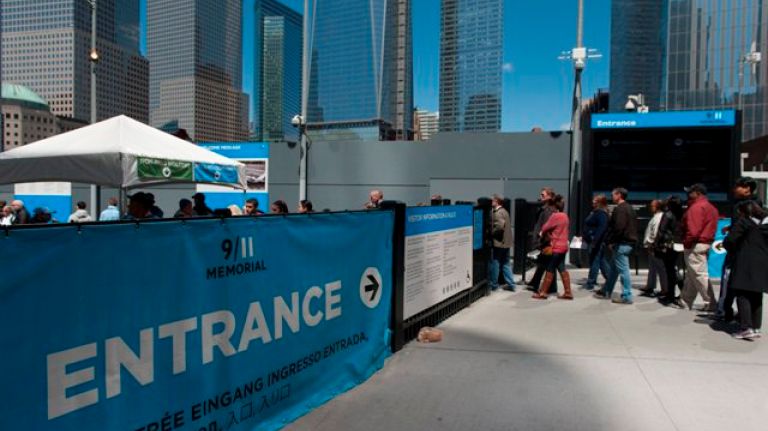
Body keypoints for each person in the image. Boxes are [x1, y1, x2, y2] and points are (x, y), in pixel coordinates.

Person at [723, 201, 768, 340]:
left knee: (742, 293)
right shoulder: (765, 224)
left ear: (745, 212)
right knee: (756, 294)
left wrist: (734, 250)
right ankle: (755, 327)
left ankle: (746, 327)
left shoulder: (744, 222)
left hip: (745, 260)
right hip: (763, 261)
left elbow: (730, 241)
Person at [679, 183, 719, 311]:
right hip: (704, 243)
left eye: (690, 192)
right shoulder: (710, 207)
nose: (688, 194)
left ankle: (711, 303)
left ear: (697, 193)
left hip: (696, 244)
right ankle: (685, 301)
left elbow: (693, 231)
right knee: (693, 274)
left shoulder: (696, 207)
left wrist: (687, 242)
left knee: (698, 274)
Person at [595, 187, 638, 304]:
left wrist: (611, 241)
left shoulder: (620, 209)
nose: (611, 197)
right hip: (626, 243)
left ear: (619, 195)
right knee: (614, 269)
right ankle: (606, 290)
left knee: (624, 270)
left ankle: (627, 296)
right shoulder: (629, 208)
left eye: (613, 195)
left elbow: (619, 227)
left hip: (622, 243)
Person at [532, 194, 572, 300]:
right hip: (563, 247)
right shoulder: (565, 216)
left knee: (549, 269)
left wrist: (542, 234)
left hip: (555, 247)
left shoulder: (555, 216)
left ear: (555, 206)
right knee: (562, 268)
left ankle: (543, 292)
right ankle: (568, 292)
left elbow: (545, 227)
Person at [655, 196, 685, 307]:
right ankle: (679, 292)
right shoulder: (682, 214)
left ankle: (670, 295)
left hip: (669, 245)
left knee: (670, 270)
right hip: (680, 244)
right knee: (675, 269)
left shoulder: (668, 214)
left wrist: (657, 244)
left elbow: (662, 230)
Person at [527, 187, 557, 291]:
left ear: (549, 197)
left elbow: (547, 227)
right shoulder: (544, 209)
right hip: (544, 241)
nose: (540, 197)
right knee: (545, 264)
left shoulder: (548, 211)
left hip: (545, 241)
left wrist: (542, 241)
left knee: (547, 264)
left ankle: (543, 286)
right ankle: (537, 284)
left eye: (543, 195)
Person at [582, 194, 610, 290]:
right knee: (601, 261)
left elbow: (602, 228)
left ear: (600, 202)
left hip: (596, 242)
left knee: (594, 261)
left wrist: (594, 241)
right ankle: (610, 279)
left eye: (595, 201)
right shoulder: (595, 212)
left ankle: (591, 282)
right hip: (592, 241)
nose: (593, 202)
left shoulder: (601, 214)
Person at [489, 194, 515, 292]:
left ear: (497, 202)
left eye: (492, 201)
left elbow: (499, 226)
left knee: (495, 263)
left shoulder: (498, 213)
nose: (491, 202)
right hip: (506, 243)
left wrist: (491, 233)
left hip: (499, 243)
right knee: (506, 263)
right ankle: (511, 284)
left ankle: (494, 285)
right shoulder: (505, 211)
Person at [639, 200, 665, 297]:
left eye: (652, 206)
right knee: (652, 267)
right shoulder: (656, 216)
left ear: (657, 207)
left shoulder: (659, 217)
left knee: (660, 268)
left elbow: (655, 232)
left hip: (653, 246)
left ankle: (664, 289)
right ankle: (650, 286)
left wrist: (650, 243)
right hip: (652, 246)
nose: (650, 208)